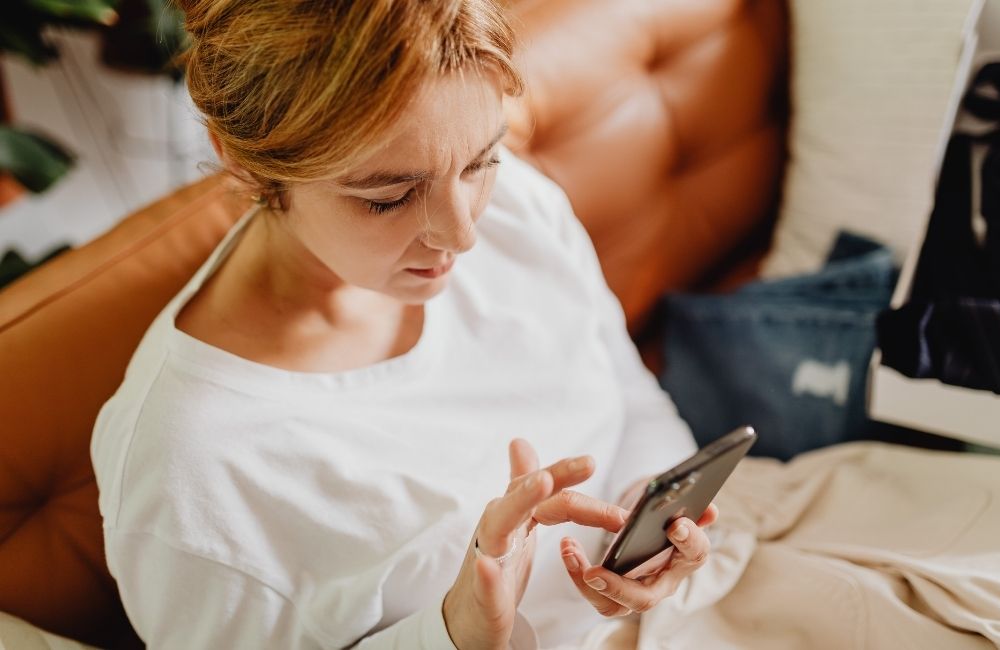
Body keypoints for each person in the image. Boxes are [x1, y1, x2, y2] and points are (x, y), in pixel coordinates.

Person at [91, 1, 719, 647]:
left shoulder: (518, 207)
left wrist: (653, 516)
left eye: (481, 162)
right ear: (244, 162)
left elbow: (630, 394)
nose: (464, 233)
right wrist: (459, 631)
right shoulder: (193, 462)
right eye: (388, 198)